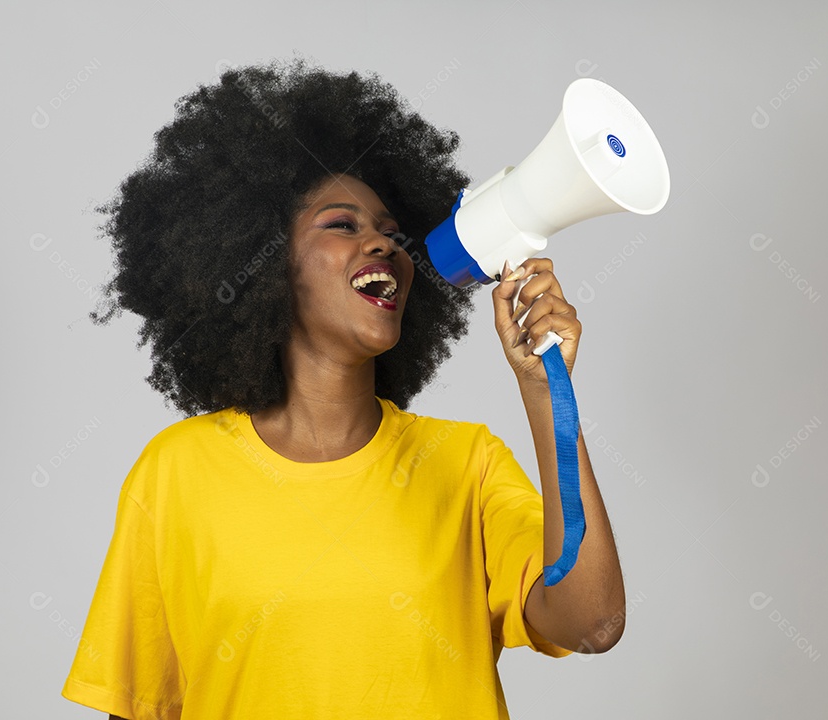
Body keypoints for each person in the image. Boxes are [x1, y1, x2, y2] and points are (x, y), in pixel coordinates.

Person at [61, 58, 625, 719]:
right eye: (343, 225)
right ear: (266, 263)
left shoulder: (465, 465)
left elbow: (592, 624)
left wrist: (544, 394)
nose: (383, 245)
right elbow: (137, 706)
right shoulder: (174, 474)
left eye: (392, 233)